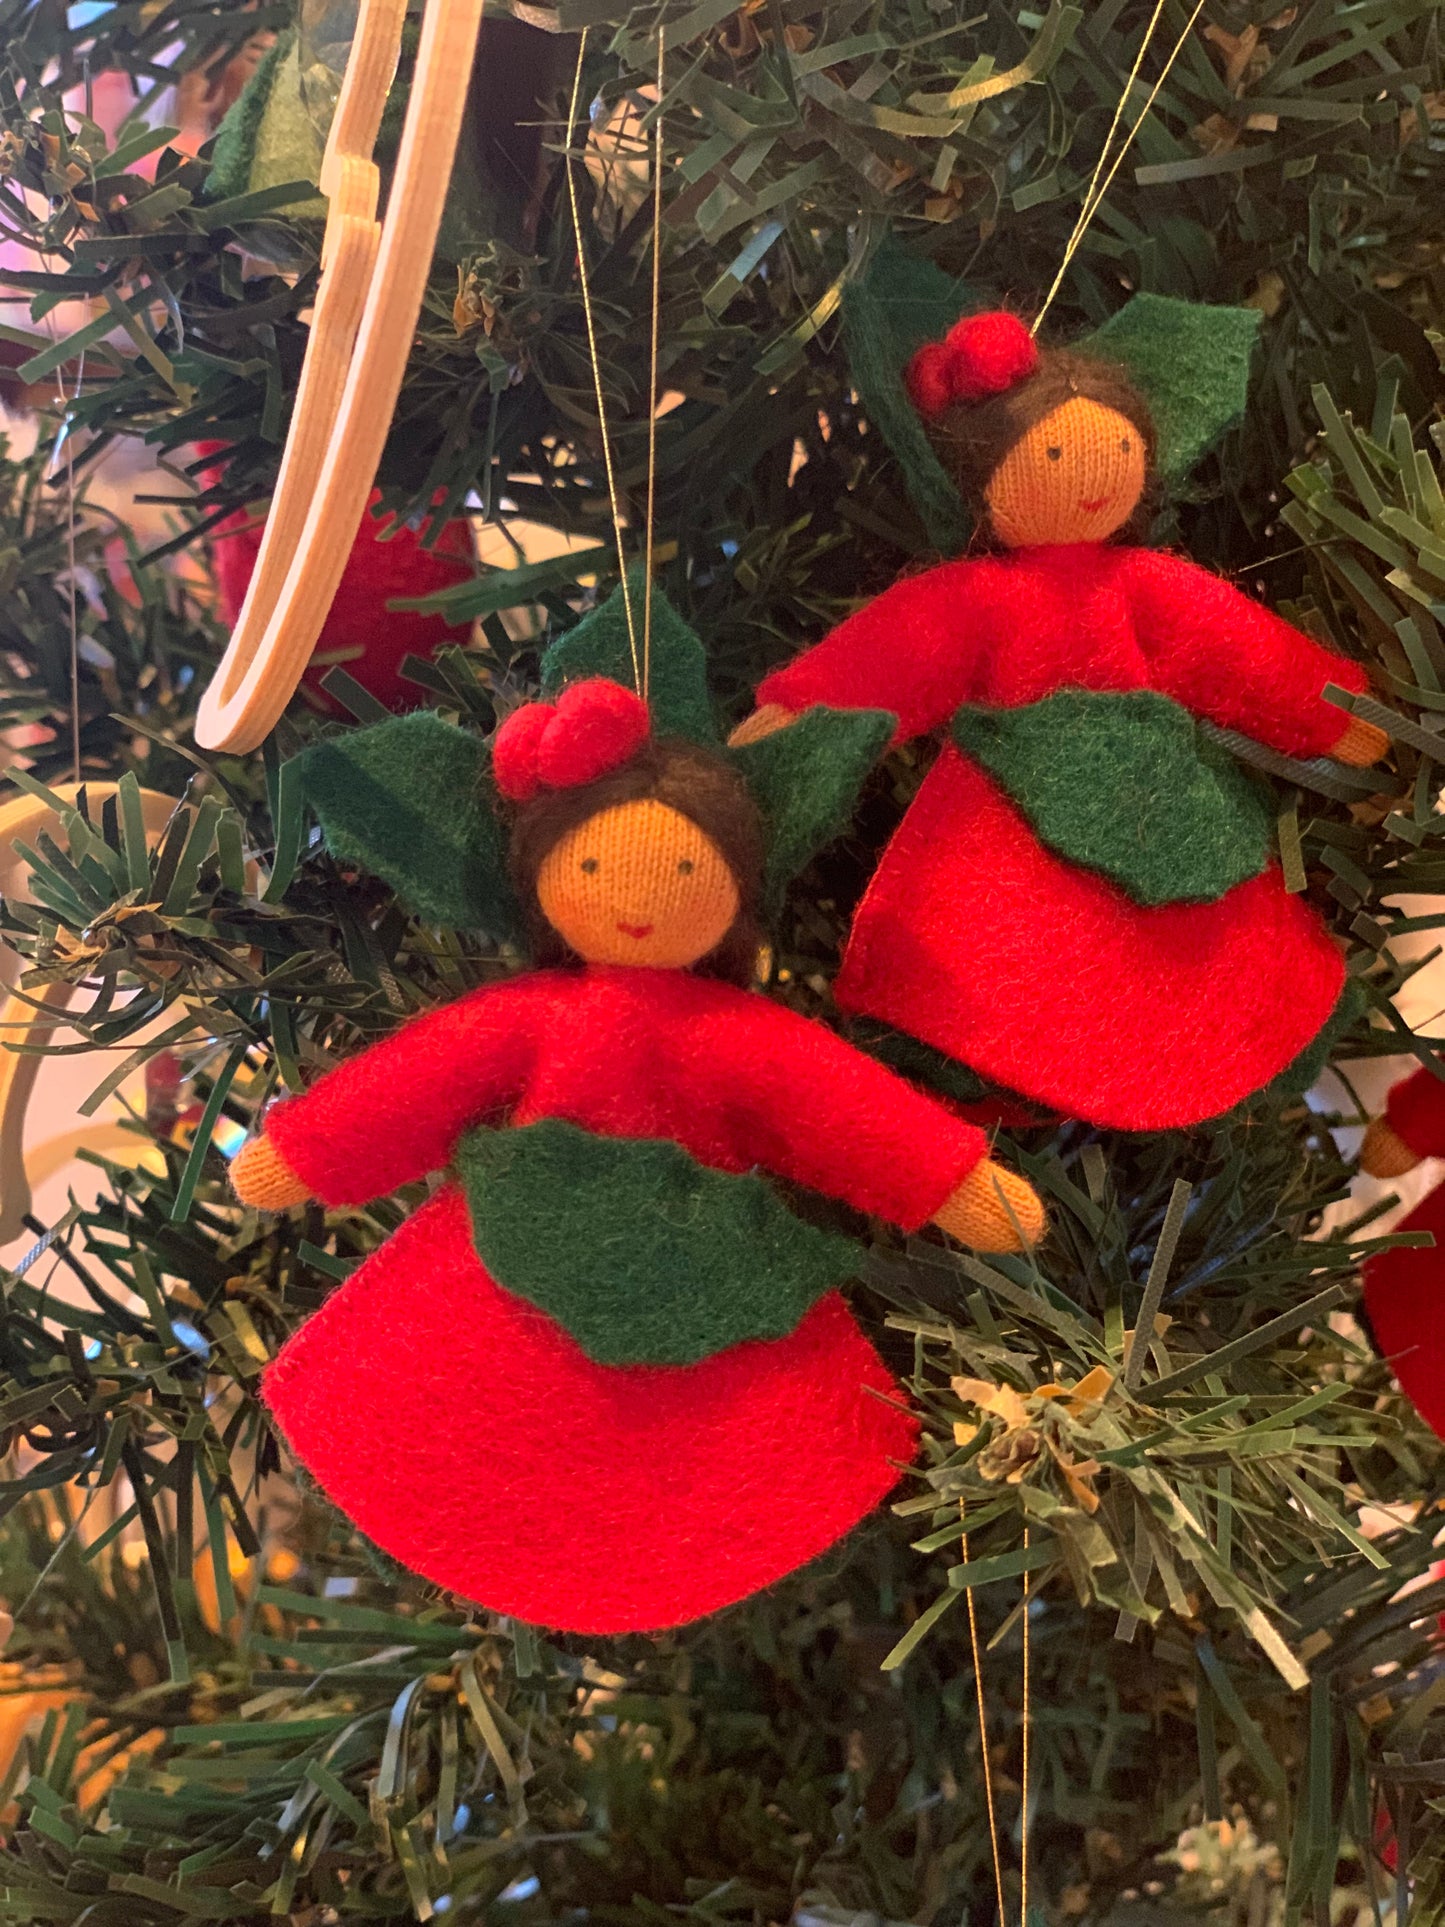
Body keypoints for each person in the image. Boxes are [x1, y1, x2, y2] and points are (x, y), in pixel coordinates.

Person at [232, 678, 1046, 1633]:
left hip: (694, 1260)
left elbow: (841, 1110)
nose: (635, 900)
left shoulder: (730, 1033)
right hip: (514, 1247)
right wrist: (308, 1149)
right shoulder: (536, 1020)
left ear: (735, 889)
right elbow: (417, 1083)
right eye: (589, 870)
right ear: (543, 879)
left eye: (687, 874)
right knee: (467, 1401)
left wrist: (950, 1179)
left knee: (711, 1435)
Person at [732, 311, 1390, 1130]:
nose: (1091, 474)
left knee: (1220, 939)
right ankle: (971, 1067)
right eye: (1051, 456)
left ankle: (1263, 1036)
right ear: (987, 480)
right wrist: (802, 711)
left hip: (1164, 794)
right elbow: (899, 652)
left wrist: (1335, 716)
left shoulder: (1145, 585)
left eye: (1118, 450)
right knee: (993, 944)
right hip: (1010, 794)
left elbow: (1243, 656)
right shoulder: (976, 600)